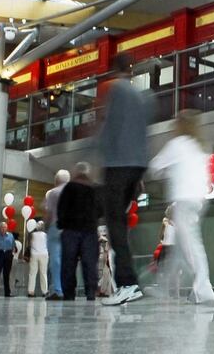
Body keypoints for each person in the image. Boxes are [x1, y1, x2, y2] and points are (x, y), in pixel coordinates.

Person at [94, 52, 153, 306]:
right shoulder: (141, 95)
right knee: (120, 225)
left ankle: (128, 283)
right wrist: (140, 175)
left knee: (115, 223)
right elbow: (143, 133)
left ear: (113, 69)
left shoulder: (117, 90)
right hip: (137, 166)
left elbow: (111, 127)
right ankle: (131, 282)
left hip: (117, 164)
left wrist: (97, 152)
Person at [148, 110, 214, 304]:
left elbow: (155, 166)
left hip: (184, 201)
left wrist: (167, 170)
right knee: (182, 246)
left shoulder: (177, 144)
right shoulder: (199, 146)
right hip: (197, 200)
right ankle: (167, 287)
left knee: (190, 246)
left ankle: (203, 289)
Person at [57, 162, 104, 301]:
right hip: (89, 231)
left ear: (76, 173)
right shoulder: (95, 189)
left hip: (70, 230)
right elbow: (101, 210)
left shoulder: (68, 188)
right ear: (88, 173)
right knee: (90, 263)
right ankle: (90, 292)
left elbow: (61, 209)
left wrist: (62, 224)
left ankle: (69, 293)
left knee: (68, 263)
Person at [43, 169, 70, 301]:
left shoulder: (53, 193)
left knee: (55, 258)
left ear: (56, 180)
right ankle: (67, 288)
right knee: (68, 258)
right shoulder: (73, 191)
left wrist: (46, 226)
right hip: (70, 228)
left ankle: (58, 290)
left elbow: (48, 213)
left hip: (55, 226)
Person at [156, 205, 180, 297]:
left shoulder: (178, 223)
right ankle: (166, 292)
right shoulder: (165, 222)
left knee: (176, 273)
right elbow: (161, 236)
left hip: (173, 248)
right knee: (165, 272)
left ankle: (176, 293)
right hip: (166, 247)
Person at [0, 223, 16, 298]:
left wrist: (12, 253)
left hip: (8, 254)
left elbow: (13, 246)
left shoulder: (10, 236)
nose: (3, 229)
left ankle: (7, 292)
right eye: (2, 227)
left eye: (5, 227)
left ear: (7, 228)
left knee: (7, 274)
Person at [28, 222, 49, 298]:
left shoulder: (32, 235)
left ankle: (31, 291)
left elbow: (30, 244)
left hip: (34, 254)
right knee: (43, 273)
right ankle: (45, 291)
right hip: (44, 254)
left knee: (32, 274)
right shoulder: (46, 235)